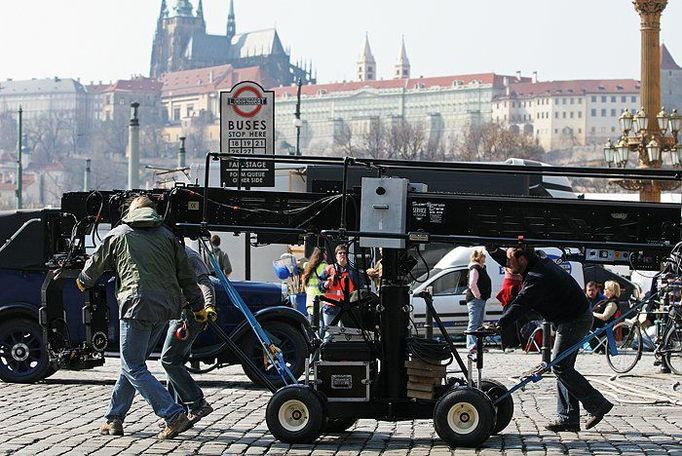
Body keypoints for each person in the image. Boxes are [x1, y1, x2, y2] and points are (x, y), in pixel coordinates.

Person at [76, 196, 204, 439]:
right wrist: (197, 305)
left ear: (131, 212)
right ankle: (114, 418)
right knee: (132, 364)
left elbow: (94, 266)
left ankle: (172, 414)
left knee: (133, 365)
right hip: (165, 309)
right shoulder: (168, 237)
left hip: (136, 306)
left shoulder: (120, 233)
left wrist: (83, 281)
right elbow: (186, 275)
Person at [493, 245, 613, 432]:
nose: (506, 264)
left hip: (574, 320)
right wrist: (493, 250)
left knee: (560, 365)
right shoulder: (534, 262)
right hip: (571, 317)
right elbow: (511, 261)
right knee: (563, 366)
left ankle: (597, 404)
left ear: (523, 260)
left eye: (510, 260)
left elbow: (521, 303)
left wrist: (500, 324)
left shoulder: (537, 278)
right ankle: (568, 418)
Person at [160, 245, 217, 427]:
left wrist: (208, 307)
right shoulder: (173, 254)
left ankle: (197, 403)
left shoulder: (190, 257)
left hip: (189, 315)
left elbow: (205, 283)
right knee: (175, 362)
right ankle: (178, 411)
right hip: (180, 314)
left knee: (169, 361)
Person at [319, 244, 361, 336]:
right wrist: (325, 284)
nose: (342, 255)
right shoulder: (329, 269)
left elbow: (359, 289)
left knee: (345, 335)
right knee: (329, 334)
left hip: (347, 308)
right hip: (330, 307)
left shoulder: (352, 271)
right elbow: (320, 285)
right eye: (340, 253)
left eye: (344, 253)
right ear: (336, 255)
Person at [465, 249, 491, 352]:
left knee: (479, 323)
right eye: (483, 256)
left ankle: (478, 345)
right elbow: (472, 284)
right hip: (475, 299)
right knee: (474, 323)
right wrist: (478, 295)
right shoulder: (475, 268)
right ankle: (471, 346)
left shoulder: (481, 268)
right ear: (479, 257)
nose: (485, 258)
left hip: (481, 299)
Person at [589, 280, 621, 352]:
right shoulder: (606, 301)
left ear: (611, 291)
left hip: (599, 327)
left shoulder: (612, 303)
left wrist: (592, 313)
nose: (603, 290)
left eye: (605, 288)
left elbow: (605, 317)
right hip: (593, 325)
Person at [301, 247, 328, 322]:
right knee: (322, 329)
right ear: (323, 255)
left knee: (312, 328)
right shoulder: (325, 267)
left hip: (310, 301)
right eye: (326, 254)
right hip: (321, 302)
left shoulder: (309, 267)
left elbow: (305, 284)